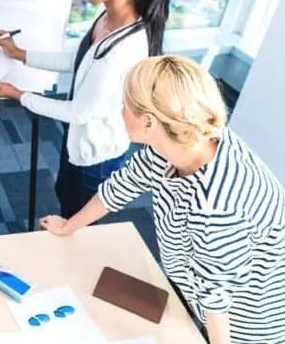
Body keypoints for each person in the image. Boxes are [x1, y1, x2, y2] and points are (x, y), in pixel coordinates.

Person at [42, 55, 285, 344]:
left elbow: (217, 301)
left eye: (125, 105)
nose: (120, 111)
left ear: (148, 122)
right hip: (198, 287)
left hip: (247, 323)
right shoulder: (184, 139)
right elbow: (123, 185)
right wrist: (69, 226)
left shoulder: (216, 210)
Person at [0, 0, 173, 219]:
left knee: (74, 219)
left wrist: (18, 95)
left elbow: (78, 112)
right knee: (65, 195)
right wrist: (19, 53)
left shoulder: (121, 50)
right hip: (80, 142)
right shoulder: (110, 17)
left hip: (95, 156)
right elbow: (79, 60)